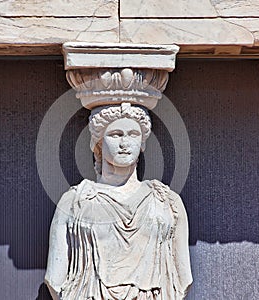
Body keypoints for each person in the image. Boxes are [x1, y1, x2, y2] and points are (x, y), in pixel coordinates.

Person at [45, 103, 192, 300]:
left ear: (142, 143)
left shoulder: (167, 201)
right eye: (115, 134)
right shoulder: (75, 201)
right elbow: (55, 279)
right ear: (98, 142)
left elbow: (183, 279)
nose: (125, 143)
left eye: (133, 134)